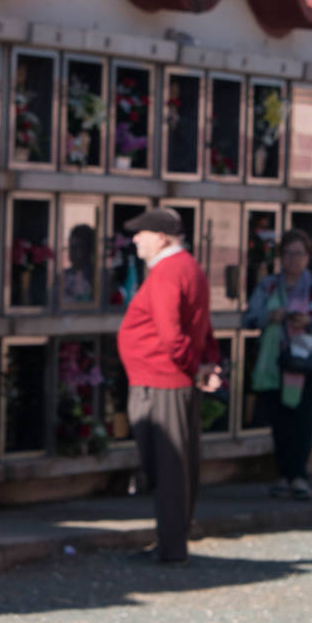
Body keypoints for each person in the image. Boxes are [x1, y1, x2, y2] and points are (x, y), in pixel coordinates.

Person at [117, 207, 222, 564]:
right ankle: (171, 540)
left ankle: (171, 546)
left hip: (161, 382)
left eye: (140, 233)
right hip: (172, 379)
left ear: (161, 237)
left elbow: (171, 334)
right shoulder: (190, 267)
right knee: (176, 464)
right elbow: (203, 324)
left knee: (168, 466)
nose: (135, 240)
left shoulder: (167, 272)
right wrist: (207, 362)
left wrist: (196, 368)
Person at [243, 228, 312, 501]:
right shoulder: (269, 286)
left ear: (308, 257)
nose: (292, 259)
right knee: (280, 422)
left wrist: (310, 322)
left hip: (308, 364)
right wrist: (270, 316)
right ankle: (283, 475)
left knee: (303, 420)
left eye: (298, 253)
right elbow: (248, 318)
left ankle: (299, 476)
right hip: (275, 363)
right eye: (287, 253)